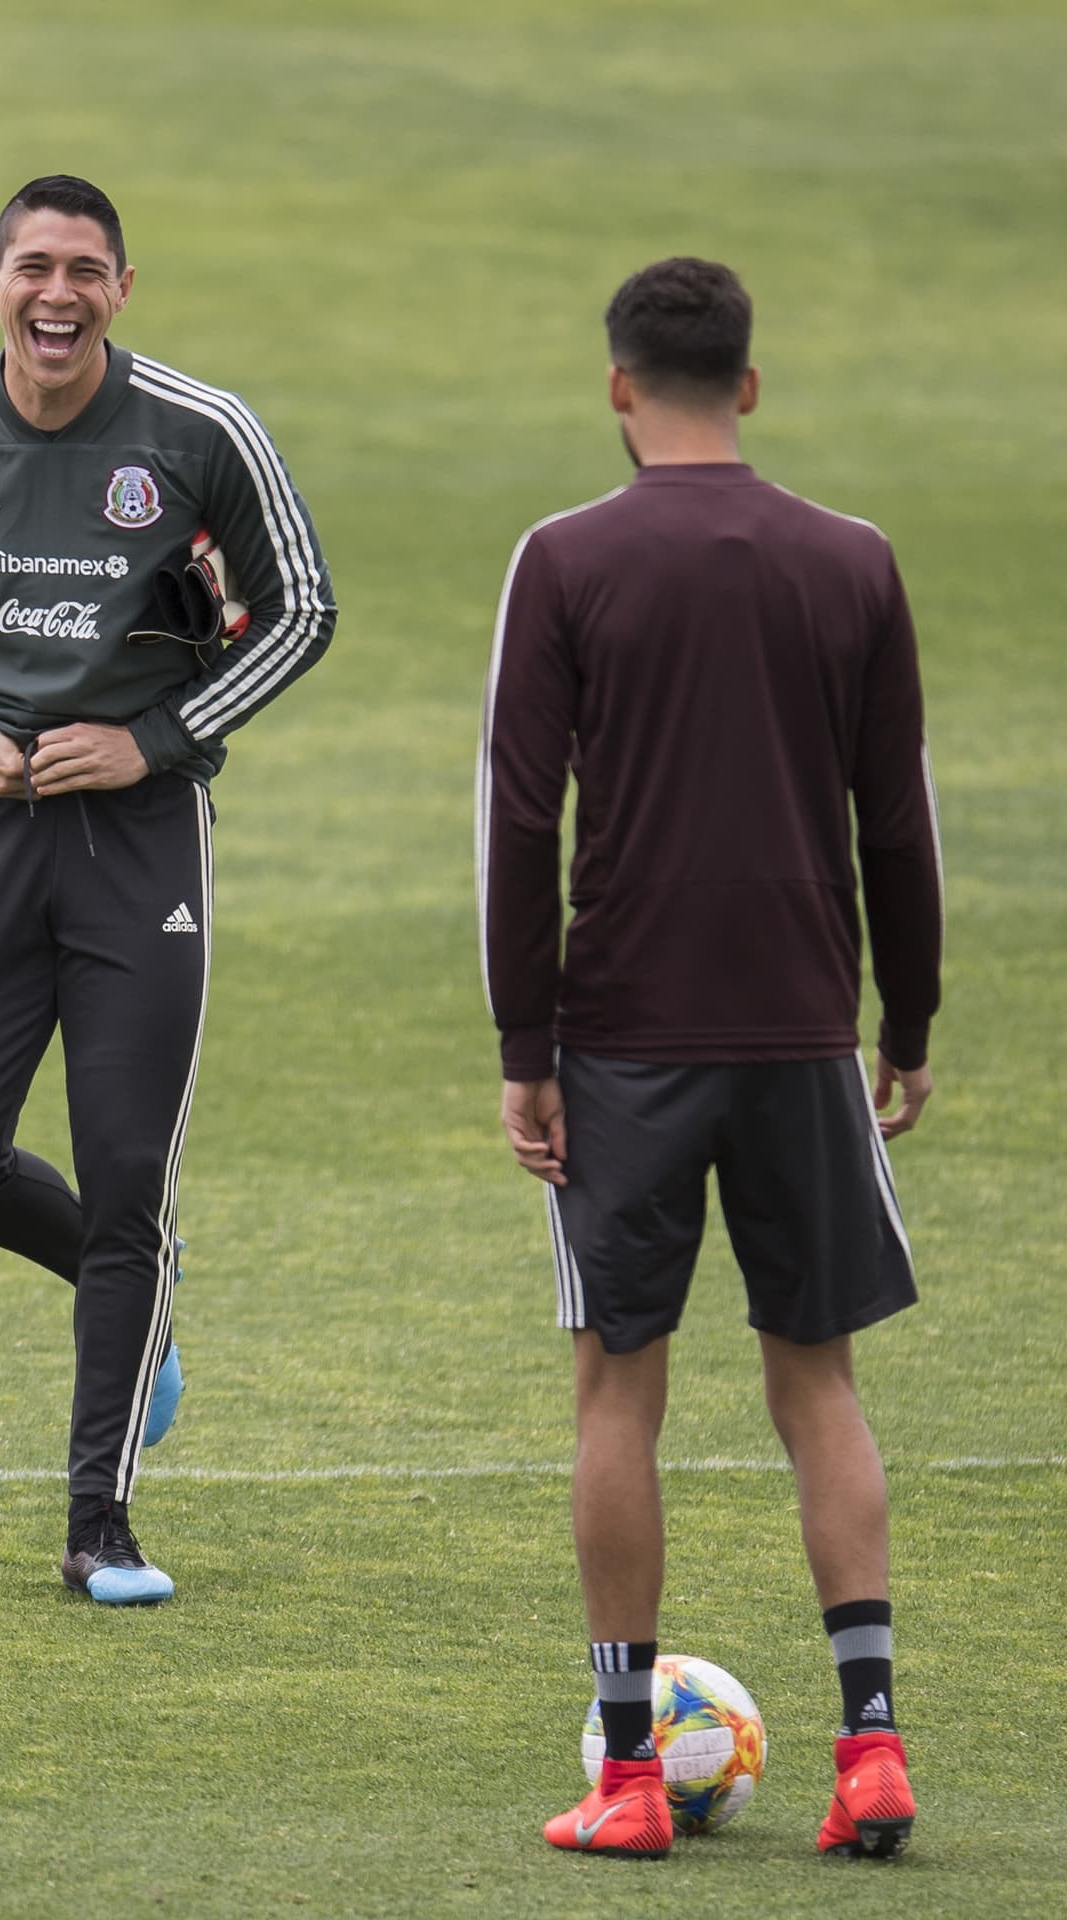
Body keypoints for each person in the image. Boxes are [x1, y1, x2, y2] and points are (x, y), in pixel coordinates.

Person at [476, 257, 940, 1860]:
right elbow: (902, 815)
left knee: (620, 1389)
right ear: (748, 385)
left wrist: (526, 1043)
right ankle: (870, 1748)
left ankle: (622, 1780)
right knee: (819, 1383)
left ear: (620, 387)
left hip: (627, 1044)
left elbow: (520, 814)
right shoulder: (854, 562)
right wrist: (913, 1020)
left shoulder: (565, 561)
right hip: (807, 1030)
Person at [0, 175, 336, 1606]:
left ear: (122, 288)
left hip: (144, 846)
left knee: (125, 1184)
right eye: (35, 267)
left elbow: (296, 606)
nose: (60, 294)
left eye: (87, 272)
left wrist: (152, 739)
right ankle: (145, 1314)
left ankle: (99, 1527)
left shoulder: (197, 430)